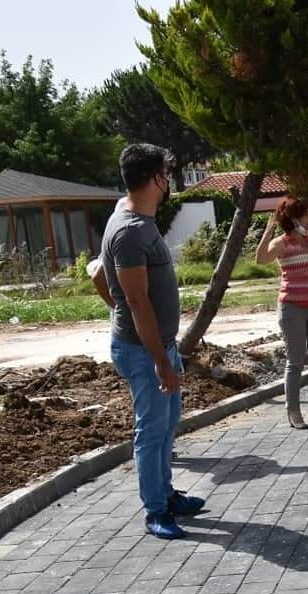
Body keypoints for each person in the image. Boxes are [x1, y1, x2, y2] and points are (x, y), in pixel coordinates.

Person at [100, 143, 205, 540]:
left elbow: (100, 275)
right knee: (152, 430)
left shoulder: (133, 216)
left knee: (167, 423)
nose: (170, 180)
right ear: (156, 178)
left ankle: (166, 493)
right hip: (145, 351)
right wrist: (160, 359)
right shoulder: (129, 231)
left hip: (158, 346)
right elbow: (136, 299)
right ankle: (155, 509)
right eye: (167, 172)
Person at [255, 195, 308, 428]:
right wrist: (268, 230)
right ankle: (293, 410)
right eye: (307, 215)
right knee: (295, 361)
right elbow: (261, 259)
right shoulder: (282, 243)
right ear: (294, 218)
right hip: (292, 308)